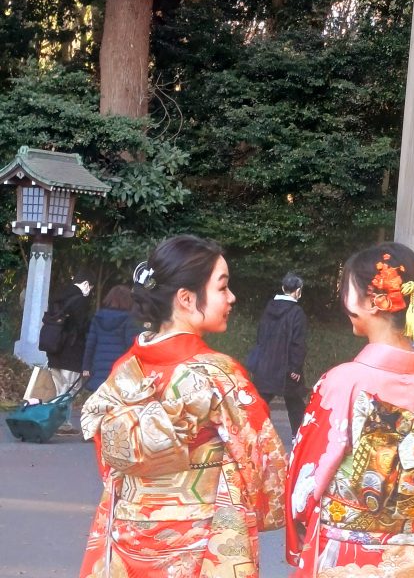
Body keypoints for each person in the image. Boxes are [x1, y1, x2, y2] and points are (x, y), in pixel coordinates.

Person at [79, 233, 286, 578]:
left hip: (127, 533)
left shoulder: (125, 370)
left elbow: (110, 460)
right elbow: (264, 464)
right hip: (198, 541)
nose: (231, 297)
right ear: (187, 299)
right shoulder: (218, 373)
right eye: (222, 287)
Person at [285, 241, 414, 578]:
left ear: (370, 301)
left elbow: (304, 485)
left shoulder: (342, 383)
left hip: (352, 556)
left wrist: (299, 543)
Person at [247, 271, 308, 437]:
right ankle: (300, 439)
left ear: (283, 288)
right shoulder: (297, 313)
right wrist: (295, 367)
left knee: (261, 403)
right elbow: (298, 343)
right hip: (286, 368)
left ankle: (253, 434)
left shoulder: (269, 308)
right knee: (295, 405)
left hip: (265, 364)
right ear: (298, 291)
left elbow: (261, 335)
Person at [43, 265, 95, 431]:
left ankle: (55, 421)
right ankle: (62, 423)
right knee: (69, 389)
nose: (91, 290)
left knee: (59, 388)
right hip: (71, 352)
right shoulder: (80, 300)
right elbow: (80, 327)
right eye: (91, 286)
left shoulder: (58, 296)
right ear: (86, 283)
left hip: (53, 349)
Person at [81, 284, 139, 392]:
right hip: (119, 370)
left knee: (98, 404)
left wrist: (86, 367)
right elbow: (131, 346)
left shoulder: (98, 317)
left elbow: (90, 345)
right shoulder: (129, 320)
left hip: (98, 367)